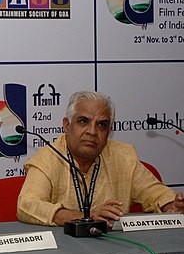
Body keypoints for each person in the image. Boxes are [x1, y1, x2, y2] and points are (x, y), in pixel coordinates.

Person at [17, 91, 184, 227]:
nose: (92, 131)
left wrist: (171, 205)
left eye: (101, 125)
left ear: (109, 131)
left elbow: (156, 193)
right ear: (67, 125)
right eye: (83, 121)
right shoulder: (48, 158)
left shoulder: (123, 156)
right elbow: (27, 205)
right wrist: (82, 217)